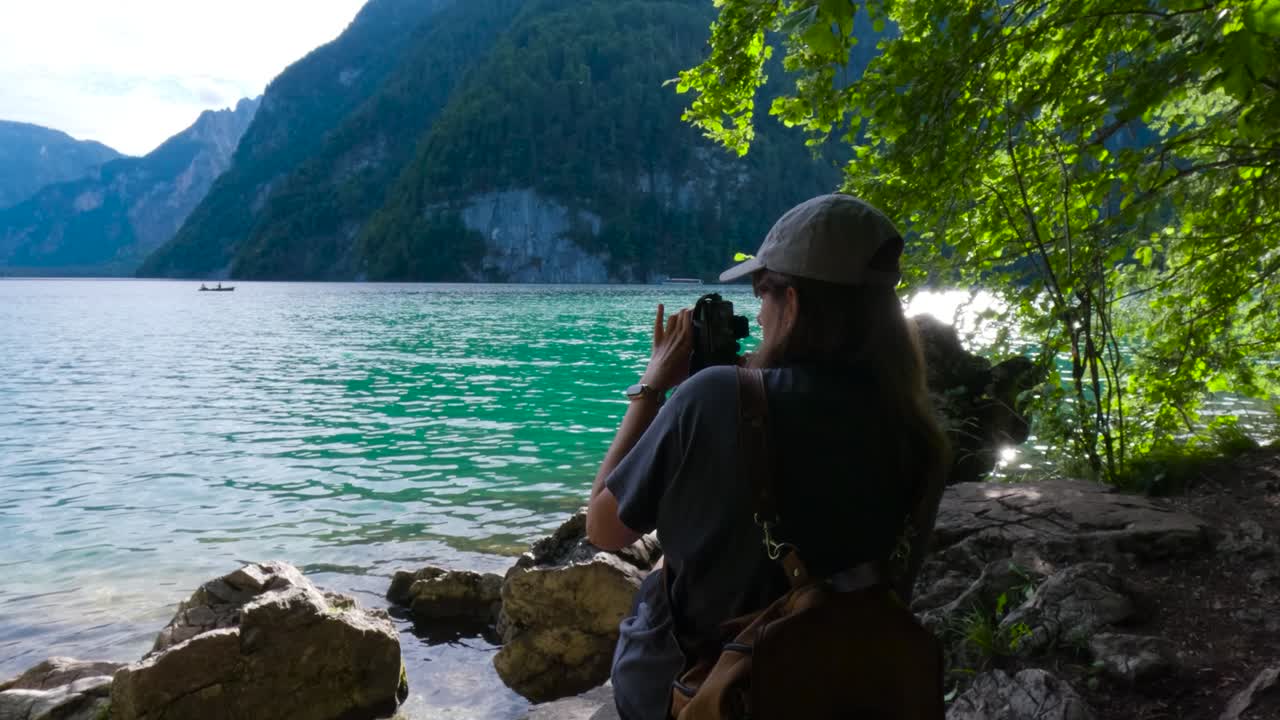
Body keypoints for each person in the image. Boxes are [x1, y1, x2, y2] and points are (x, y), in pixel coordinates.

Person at [584, 194, 951, 720]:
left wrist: (653, 388)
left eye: (762, 293)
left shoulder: (713, 398)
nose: (759, 311)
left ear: (794, 304)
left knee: (661, 574)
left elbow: (604, 528)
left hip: (717, 690)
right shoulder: (917, 432)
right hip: (849, 684)